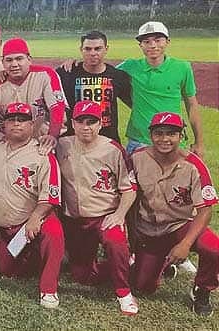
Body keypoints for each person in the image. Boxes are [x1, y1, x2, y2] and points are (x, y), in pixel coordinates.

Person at [130, 112, 218, 316]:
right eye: (159, 133)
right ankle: (164, 265)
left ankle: (202, 290)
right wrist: (131, 237)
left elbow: (206, 209)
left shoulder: (194, 165)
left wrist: (186, 244)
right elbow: (129, 200)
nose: (164, 139)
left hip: (180, 226)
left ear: (181, 136)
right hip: (149, 230)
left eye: (171, 133)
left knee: (213, 248)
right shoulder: (137, 159)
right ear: (151, 135)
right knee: (143, 287)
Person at [56, 100, 138, 315]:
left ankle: (124, 292)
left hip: (104, 215)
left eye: (91, 121)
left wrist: (120, 215)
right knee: (82, 276)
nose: (86, 126)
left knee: (115, 241)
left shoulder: (112, 149)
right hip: (74, 219)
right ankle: (132, 265)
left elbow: (129, 188)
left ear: (100, 124)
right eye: (80, 121)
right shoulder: (61, 145)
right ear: (72, 123)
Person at [0, 102, 65, 309]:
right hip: (7, 229)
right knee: (9, 271)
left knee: (53, 232)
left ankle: (49, 289)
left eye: (22, 120)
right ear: (4, 125)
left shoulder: (42, 153)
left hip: (34, 220)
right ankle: (37, 257)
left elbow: (51, 196)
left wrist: (35, 217)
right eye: (11, 119)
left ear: (32, 125)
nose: (16, 124)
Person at [117, 21, 204, 157]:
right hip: (140, 141)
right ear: (140, 45)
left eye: (158, 40)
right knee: (136, 178)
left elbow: (191, 104)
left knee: (174, 177)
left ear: (167, 41)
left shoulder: (182, 68)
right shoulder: (130, 66)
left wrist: (199, 142)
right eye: (147, 41)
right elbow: (106, 77)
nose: (153, 45)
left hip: (173, 139)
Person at [0, 38, 68, 152]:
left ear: (29, 59)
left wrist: (52, 135)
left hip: (46, 143)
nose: (14, 64)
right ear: (3, 63)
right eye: (9, 60)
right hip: (15, 147)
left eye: (19, 59)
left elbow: (57, 108)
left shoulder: (45, 75)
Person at [56, 31, 132, 142]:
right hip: (74, 141)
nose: (93, 53)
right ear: (81, 49)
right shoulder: (66, 73)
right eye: (87, 49)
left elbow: (134, 104)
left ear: (106, 49)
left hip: (107, 140)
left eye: (97, 49)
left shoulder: (118, 76)